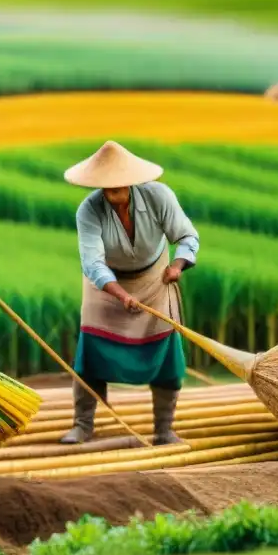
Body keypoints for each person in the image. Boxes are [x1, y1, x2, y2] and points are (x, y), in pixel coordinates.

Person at [60, 141, 199, 447]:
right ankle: (83, 424)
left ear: (131, 181)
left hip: (155, 278)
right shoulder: (89, 210)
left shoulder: (159, 196)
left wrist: (177, 266)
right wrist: (120, 295)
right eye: (106, 186)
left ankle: (164, 429)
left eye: (118, 185)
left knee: (165, 352)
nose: (113, 191)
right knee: (91, 351)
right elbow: (93, 262)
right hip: (105, 285)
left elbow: (186, 235)